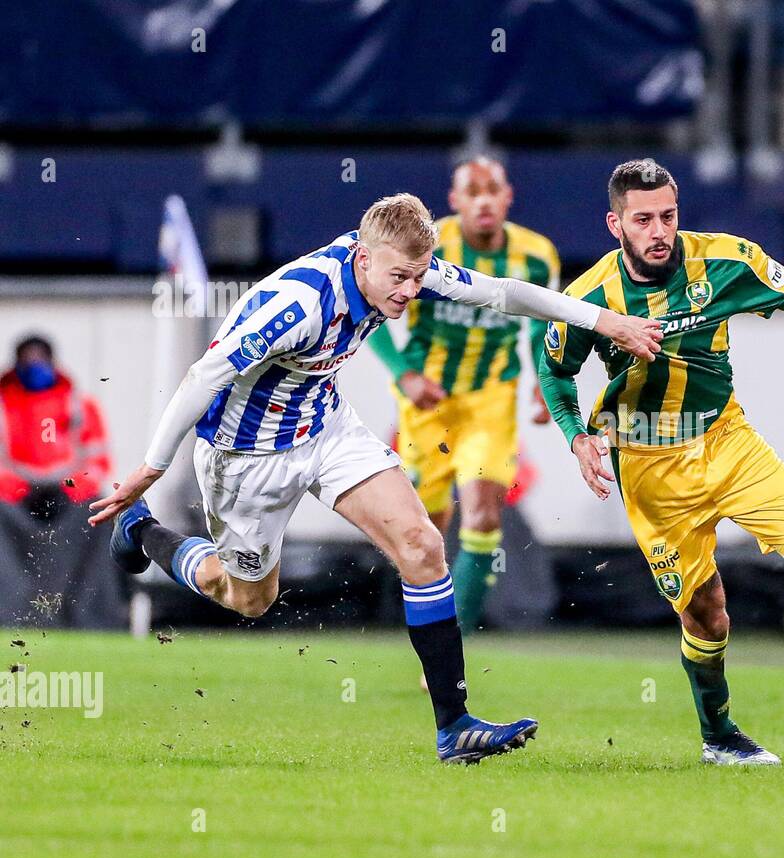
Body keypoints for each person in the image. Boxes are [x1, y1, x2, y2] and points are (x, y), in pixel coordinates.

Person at [88, 193, 663, 763]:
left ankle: (453, 725)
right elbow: (203, 376)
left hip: (324, 425)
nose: (410, 292)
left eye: (418, 278)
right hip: (245, 456)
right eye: (400, 278)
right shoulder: (302, 302)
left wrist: (603, 320)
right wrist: (153, 467)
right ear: (363, 259)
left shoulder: (400, 265)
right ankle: (142, 532)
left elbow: (501, 293)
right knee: (245, 598)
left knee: (422, 544)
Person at [539, 158, 784, 767]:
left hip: (726, 439)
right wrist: (576, 435)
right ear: (614, 224)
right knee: (707, 614)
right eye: (642, 219)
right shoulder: (590, 297)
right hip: (647, 462)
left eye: (668, 216)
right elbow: (554, 368)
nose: (659, 231)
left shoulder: (726, 260)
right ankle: (719, 735)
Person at [368, 157, 557, 638]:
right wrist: (405, 373)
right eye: (472, 191)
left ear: (507, 196)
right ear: (454, 202)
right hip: (427, 404)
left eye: (492, 189)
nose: (484, 200)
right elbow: (370, 304)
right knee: (424, 535)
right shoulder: (430, 248)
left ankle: (455, 639)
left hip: (490, 401)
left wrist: (544, 379)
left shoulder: (536, 256)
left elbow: (540, 325)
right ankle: (429, 634)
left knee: (483, 512)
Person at [0, 335, 124, 628]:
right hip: (13, 499)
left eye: (39, 359)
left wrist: (70, 487)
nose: (34, 367)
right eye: (27, 360)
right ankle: (10, 615)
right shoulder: (3, 406)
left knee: (102, 513)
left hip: (70, 499)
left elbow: (98, 461)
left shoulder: (79, 405)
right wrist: (18, 487)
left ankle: (92, 618)